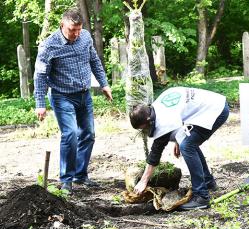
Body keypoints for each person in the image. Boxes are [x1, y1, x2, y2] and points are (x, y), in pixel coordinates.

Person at [33, 8, 113, 192]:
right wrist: (40, 104)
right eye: (72, 30)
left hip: (84, 95)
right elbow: (40, 75)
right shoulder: (49, 45)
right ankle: (66, 180)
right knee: (70, 135)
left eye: (78, 29)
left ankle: (80, 175)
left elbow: (95, 61)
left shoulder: (85, 37)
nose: (76, 34)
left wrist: (104, 84)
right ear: (62, 25)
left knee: (88, 134)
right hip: (62, 96)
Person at [129, 87, 229, 210]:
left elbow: (155, 152)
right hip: (213, 103)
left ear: (149, 120)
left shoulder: (162, 121)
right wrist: (178, 139)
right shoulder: (156, 108)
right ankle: (208, 182)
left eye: (144, 128)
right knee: (188, 142)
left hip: (215, 110)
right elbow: (181, 118)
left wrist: (144, 181)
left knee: (187, 146)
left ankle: (202, 197)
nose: (145, 131)